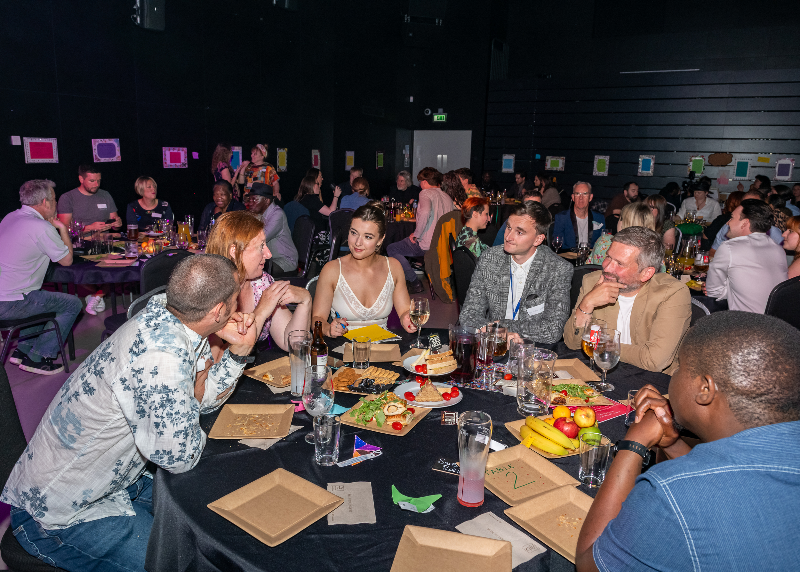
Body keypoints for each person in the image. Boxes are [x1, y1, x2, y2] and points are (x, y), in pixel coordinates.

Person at [1, 254, 259, 572]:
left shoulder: (172, 315)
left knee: (218, 516)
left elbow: (201, 401)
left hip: (118, 479)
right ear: (218, 310)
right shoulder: (161, 358)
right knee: (183, 563)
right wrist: (190, 404)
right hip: (61, 513)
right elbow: (179, 457)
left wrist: (238, 353)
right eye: (236, 302)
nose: (240, 309)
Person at [576, 311, 800, 572]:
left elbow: (589, 562)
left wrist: (634, 443)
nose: (674, 375)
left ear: (705, 389)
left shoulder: (671, 494)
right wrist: (671, 444)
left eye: (679, 366)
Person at [564, 227, 691, 374]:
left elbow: (654, 361)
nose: (606, 267)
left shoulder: (672, 294)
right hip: (605, 375)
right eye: (608, 257)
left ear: (646, 273)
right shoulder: (593, 282)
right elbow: (571, 342)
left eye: (619, 263)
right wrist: (586, 305)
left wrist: (605, 345)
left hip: (653, 385)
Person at [459, 201, 573, 346]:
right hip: (492, 345)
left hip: (532, 349)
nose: (508, 237)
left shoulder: (558, 269)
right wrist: (496, 333)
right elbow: (468, 314)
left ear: (538, 239)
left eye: (519, 232)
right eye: (508, 228)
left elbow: (552, 330)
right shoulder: (490, 259)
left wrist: (500, 327)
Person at [0, 179, 81, 375]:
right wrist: (61, 228)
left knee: (39, 297)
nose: (56, 205)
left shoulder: (10, 217)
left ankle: (22, 350)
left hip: (6, 297)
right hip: (11, 303)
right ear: (45, 202)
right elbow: (67, 260)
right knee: (73, 304)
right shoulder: (41, 227)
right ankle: (39, 357)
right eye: (54, 200)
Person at [205, 211, 311, 356]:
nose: (269, 254)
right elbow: (214, 367)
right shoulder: (208, 293)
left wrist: (306, 300)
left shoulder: (261, 283)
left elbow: (291, 343)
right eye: (261, 246)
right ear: (234, 251)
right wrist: (261, 311)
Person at [312, 202, 415, 335]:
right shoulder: (332, 270)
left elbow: (404, 311)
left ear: (380, 239)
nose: (358, 242)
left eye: (367, 237)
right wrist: (328, 329)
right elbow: (317, 319)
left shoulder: (393, 267)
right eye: (354, 233)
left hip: (382, 350)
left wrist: (407, 319)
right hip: (343, 349)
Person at [57, 164, 123, 315]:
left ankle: (96, 296)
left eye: (98, 181)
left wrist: (117, 223)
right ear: (81, 179)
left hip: (105, 242)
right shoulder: (68, 198)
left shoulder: (105, 195)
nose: (96, 185)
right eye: (92, 181)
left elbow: (114, 223)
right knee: (79, 270)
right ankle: (98, 294)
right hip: (80, 244)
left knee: (126, 266)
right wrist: (89, 228)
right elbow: (64, 229)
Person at [705, 200, 788, 313]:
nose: (728, 223)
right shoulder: (778, 249)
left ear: (744, 223)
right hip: (776, 322)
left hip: (746, 323)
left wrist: (728, 289)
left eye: (732, 218)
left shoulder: (729, 248)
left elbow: (712, 291)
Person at [387, 167, 454, 294]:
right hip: (443, 245)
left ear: (425, 181)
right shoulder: (447, 196)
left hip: (427, 244)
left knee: (392, 248)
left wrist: (416, 234)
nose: (420, 184)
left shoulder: (425, 193)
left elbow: (425, 213)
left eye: (420, 181)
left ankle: (414, 282)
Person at [244, 183, 298, 277]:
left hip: (284, 260)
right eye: (250, 199)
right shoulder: (259, 213)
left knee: (251, 270)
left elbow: (260, 239)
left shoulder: (277, 214)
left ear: (267, 200)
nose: (250, 203)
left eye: (254, 199)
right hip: (268, 259)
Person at [711, 189, 784, 252]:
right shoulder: (728, 227)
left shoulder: (773, 232)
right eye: (744, 204)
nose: (747, 207)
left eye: (752, 204)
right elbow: (713, 250)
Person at [589, 202, 654, 265]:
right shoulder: (654, 250)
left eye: (620, 218)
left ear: (624, 223)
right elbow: (661, 274)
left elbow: (587, 268)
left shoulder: (606, 241)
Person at [552, 181, 605, 249]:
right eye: (577, 194)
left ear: (590, 197)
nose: (581, 197)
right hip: (568, 258)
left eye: (585, 194)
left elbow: (602, 245)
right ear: (573, 197)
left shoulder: (599, 218)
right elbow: (559, 246)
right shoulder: (562, 218)